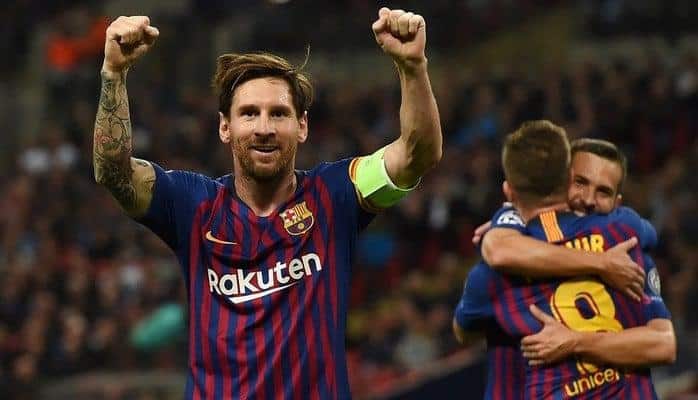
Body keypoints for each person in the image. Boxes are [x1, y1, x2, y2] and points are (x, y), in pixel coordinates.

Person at [92, 8, 441, 400]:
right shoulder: (192, 205)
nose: (263, 128)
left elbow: (417, 155)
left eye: (278, 114)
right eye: (249, 114)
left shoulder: (334, 194)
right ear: (225, 127)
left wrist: (413, 67)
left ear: (302, 126)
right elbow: (114, 172)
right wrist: (113, 73)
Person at [454, 121, 674, 399]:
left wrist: (506, 221)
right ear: (566, 179)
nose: (589, 200)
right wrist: (601, 262)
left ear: (510, 192)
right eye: (581, 182)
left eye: (603, 191)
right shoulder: (624, 235)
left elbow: (464, 332)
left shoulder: (492, 272)